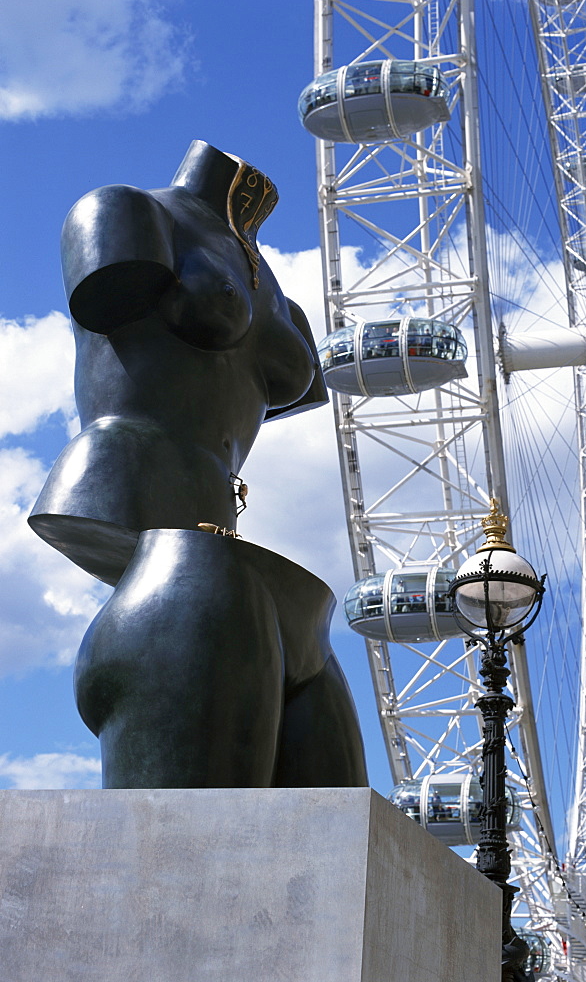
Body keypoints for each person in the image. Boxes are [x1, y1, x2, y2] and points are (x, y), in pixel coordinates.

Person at [29, 140, 368, 790]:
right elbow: (104, 296)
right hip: (126, 483)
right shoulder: (124, 208)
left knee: (337, 830)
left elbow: (295, 387)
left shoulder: (275, 292)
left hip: (225, 541)